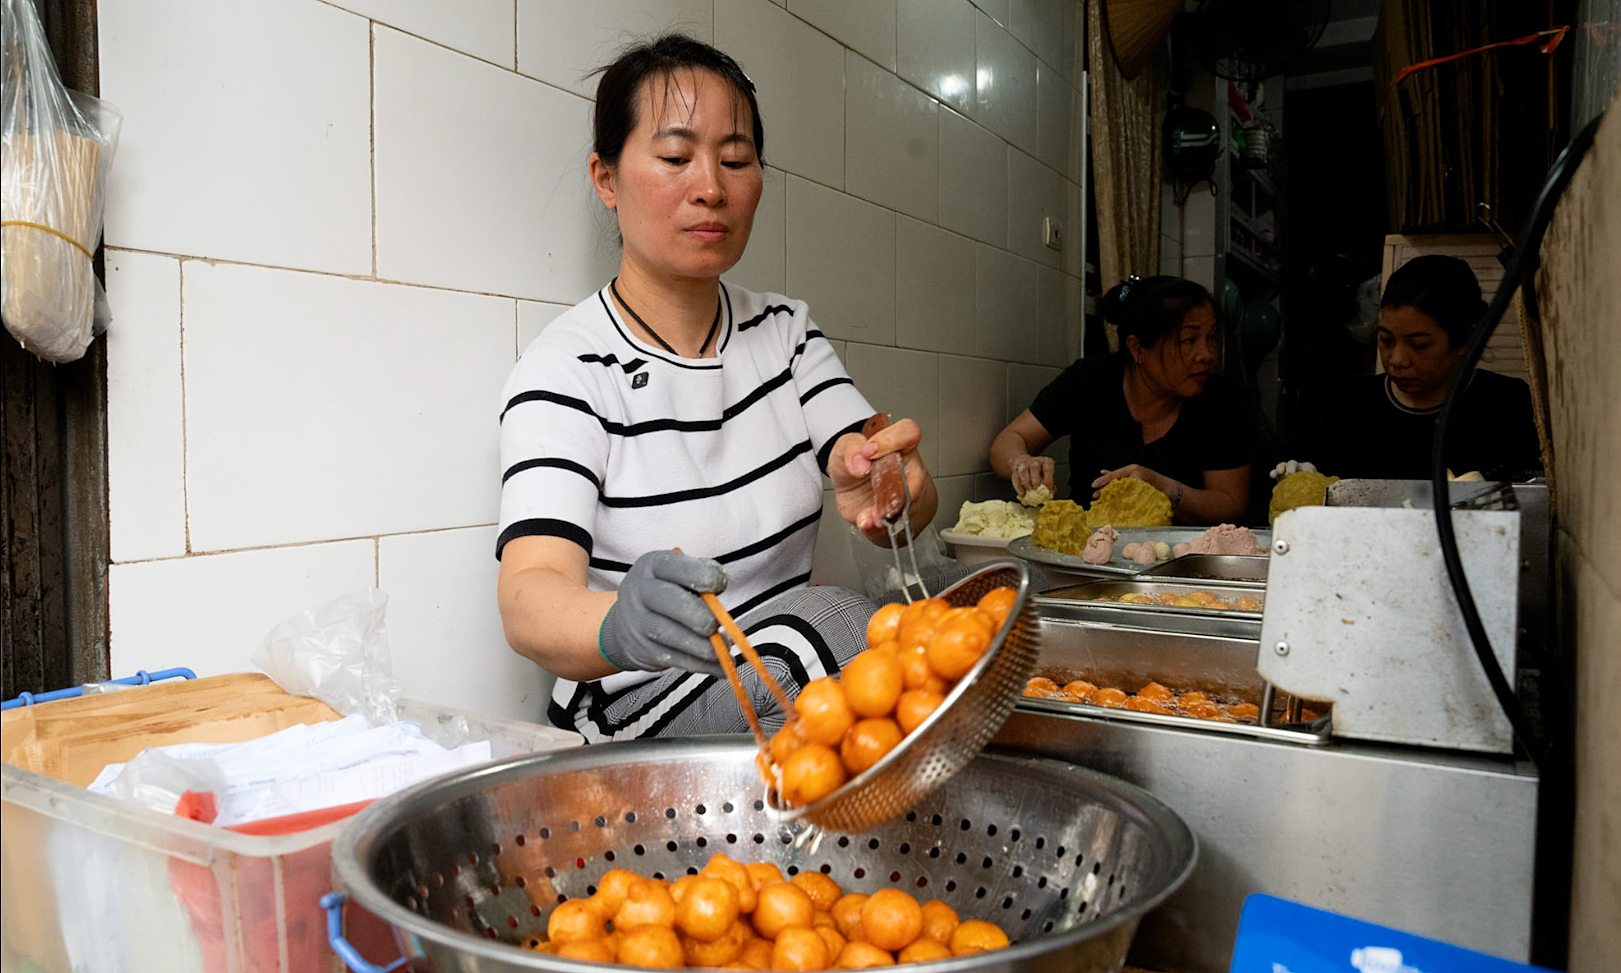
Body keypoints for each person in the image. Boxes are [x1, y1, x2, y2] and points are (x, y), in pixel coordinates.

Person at [495, 34, 937, 741]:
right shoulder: (567, 368)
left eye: (735, 159)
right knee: (837, 626)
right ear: (605, 179)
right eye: (675, 158)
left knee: (910, 629)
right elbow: (528, 595)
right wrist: (618, 625)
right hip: (634, 705)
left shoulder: (786, 334)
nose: (711, 186)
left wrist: (892, 489)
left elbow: (879, 478)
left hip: (783, 676)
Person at [990, 275, 1256, 525]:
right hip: (1090, 551)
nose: (1206, 354)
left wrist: (1164, 488)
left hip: (1182, 555)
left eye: (1210, 338)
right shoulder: (1089, 379)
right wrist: (1021, 462)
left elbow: (1231, 503)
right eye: (1189, 340)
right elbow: (1009, 440)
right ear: (1137, 348)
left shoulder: (1221, 400)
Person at [1282, 254, 1542, 482]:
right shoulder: (1348, 406)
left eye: (1418, 345)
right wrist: (1303, 479)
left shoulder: (1509, 406)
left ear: (1466, 340)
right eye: (1385, 340)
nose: (1396, 359)